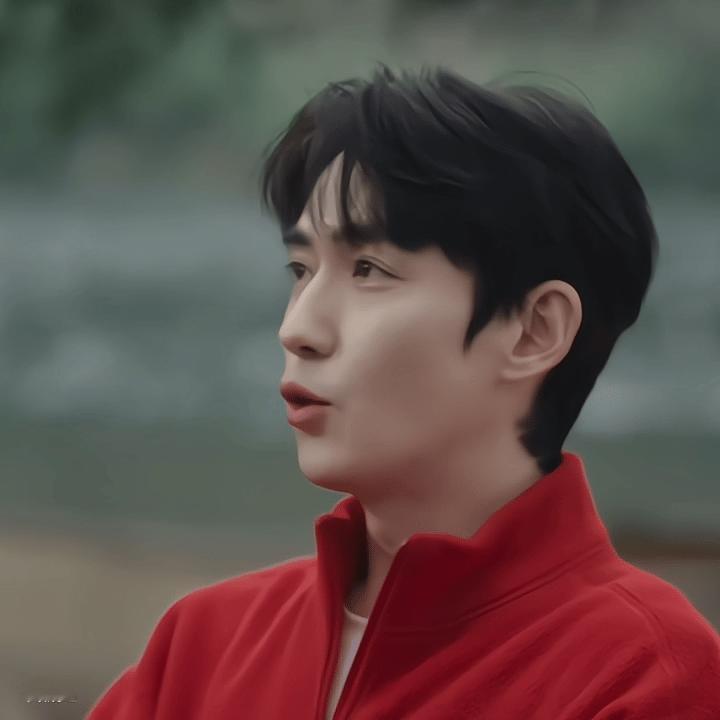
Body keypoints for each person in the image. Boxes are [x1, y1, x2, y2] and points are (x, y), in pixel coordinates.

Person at [86, 63, 720, 719]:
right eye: (301, 269)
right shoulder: (201, 645)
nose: (297, 328)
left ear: (535, 330)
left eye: (369, 269)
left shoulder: (645, 675)